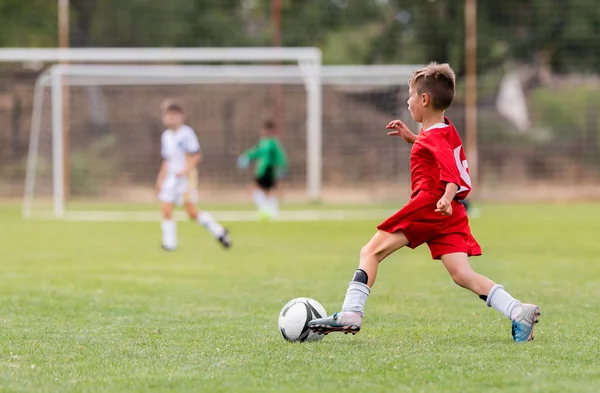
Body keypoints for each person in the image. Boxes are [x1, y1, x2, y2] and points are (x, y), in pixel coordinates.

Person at [308, 63, 540, 343]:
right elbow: (439, 152)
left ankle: (350, 313)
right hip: (448, 214)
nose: (408, 101)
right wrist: (414, 140)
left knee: (370, 252)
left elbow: (451, 175)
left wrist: (445, 196)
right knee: (461, 274)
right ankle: (518, 311)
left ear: (425, 99)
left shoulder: (434, 138)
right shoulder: (443, 129)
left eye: (411, 95)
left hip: (429, 205)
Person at [155, 99, 231, 250]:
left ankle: (219, 231)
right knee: (165, 208)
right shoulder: (166, 136)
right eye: (168, 115)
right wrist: (160, 178)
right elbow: (166, 160)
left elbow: (196, 155)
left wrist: (185, 170)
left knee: (191, 212)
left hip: (185, 178)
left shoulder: (186, 133)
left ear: (181, 116)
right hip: (171, 178)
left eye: (174, 115)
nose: (170, 118)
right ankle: (169, 244)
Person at [238, 120, 288, 220]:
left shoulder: (272, 143)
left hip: (267, 170)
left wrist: (282, 168)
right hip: (263, 170)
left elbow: (280, 157)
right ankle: (271, 211)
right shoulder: (265, 142)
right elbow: (256, 152)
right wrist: (247, 157)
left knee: (255, 189)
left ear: (268, 130)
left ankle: (266, 209)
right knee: (267, 191)